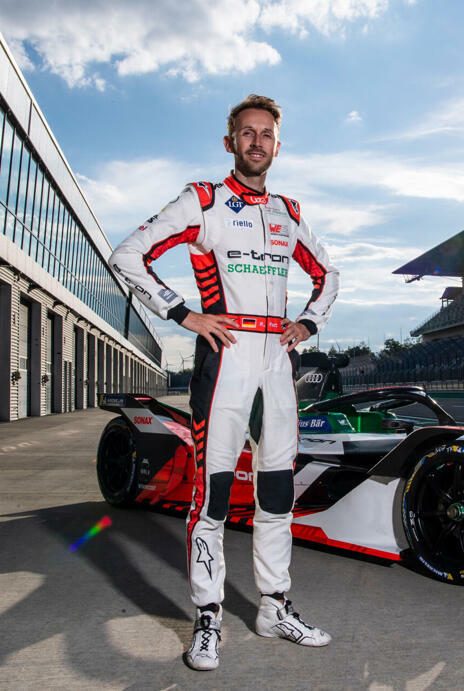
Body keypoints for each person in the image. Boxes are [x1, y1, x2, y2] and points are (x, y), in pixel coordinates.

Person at [108, 94, 338, 671]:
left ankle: (274, 606)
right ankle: (208, 616)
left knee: (277, 492)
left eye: (266, 134)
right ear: (229, 141)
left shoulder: (288, 211)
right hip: (226, 357)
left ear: (277, 146)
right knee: (210, 495)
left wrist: (309, 321)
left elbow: (329, 273)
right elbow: (128, 254)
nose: (256, 142)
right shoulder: (203, 201)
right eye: (246, 132)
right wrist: (181, 313)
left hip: (277, 364)